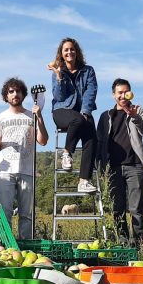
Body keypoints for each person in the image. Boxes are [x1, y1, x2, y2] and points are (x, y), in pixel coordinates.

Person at [96, 78, 143, 247]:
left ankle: (139, 243)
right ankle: (122, 242)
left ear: (130, 93)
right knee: (117, 208)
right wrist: (99, 166)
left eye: (126, 92)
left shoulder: (139, 110)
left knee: (136, 208)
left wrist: (135, 117)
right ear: (113, 95)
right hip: (113, 167)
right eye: (119, 92)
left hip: (135, 165)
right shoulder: (106, 116)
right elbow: (99, 142)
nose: (123, 95)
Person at [0, 77, 49, 239]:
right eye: (11, 91)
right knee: (4, 213)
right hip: (5, 171)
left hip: (27, 170)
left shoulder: (32, 115)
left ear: (23, 94)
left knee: (27, 214)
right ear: (6, 96)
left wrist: (40, 117)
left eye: (18, 91)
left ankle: (26, 245)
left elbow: (43, 141)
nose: (15, 94)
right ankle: (7, 245)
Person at [48, 37, 98, 193]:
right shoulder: (58, 71)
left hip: (82, 112)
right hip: (61, 111)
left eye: (72, 49)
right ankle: (66, 154)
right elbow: (59, 97)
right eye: (66, 50)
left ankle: (84, 181)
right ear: (61, 54)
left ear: (77, 52)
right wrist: (59, 77)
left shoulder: (88, 71)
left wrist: (85, 111)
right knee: (78, 120)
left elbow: (91, 92)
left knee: (91, 135)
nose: (69, 52)